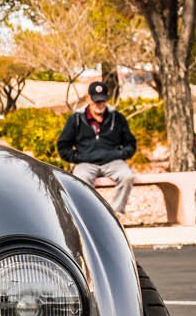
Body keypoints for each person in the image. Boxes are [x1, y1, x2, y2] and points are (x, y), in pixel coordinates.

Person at [57, 80, 138, 215]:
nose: (100, 104)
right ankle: (89, 215)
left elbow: (131, 143)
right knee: (79, 180)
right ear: (88, 98)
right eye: (96, 101)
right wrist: (77, 157)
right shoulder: (76, 119)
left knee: (127, 176)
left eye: (102, 100)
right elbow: (63, 146)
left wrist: (120, 154)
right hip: (85, 163)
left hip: (113, 162)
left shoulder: (117, 118)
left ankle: (116, 214)